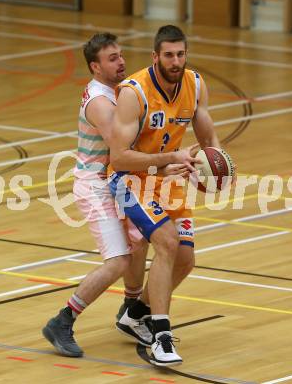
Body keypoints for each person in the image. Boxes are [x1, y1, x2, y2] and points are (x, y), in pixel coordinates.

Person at [109, 25, 221, 366]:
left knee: (185, 260)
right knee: (167, 242)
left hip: (168, 180)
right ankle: (161, 336)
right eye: (169, 55)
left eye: (181, 54)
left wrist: (219, 164)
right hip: (130, 180)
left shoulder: (195, 84)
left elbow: (209, 136)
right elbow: (118, 158)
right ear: (155, 56)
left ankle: (135, 313)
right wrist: (171, 157)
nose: (176, 61)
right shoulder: (134, 92)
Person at [42, 33, 152, 358]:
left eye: (120, 55)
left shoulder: (120, 90)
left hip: (116, 180)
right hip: (96, 185)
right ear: (95, 66)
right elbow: (122, 149)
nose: (121, 62)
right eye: (112, 58)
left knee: (140, 241)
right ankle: (62, 321)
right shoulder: (100, 102)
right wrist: (166, 159)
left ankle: (130, 311)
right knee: (117, 260)